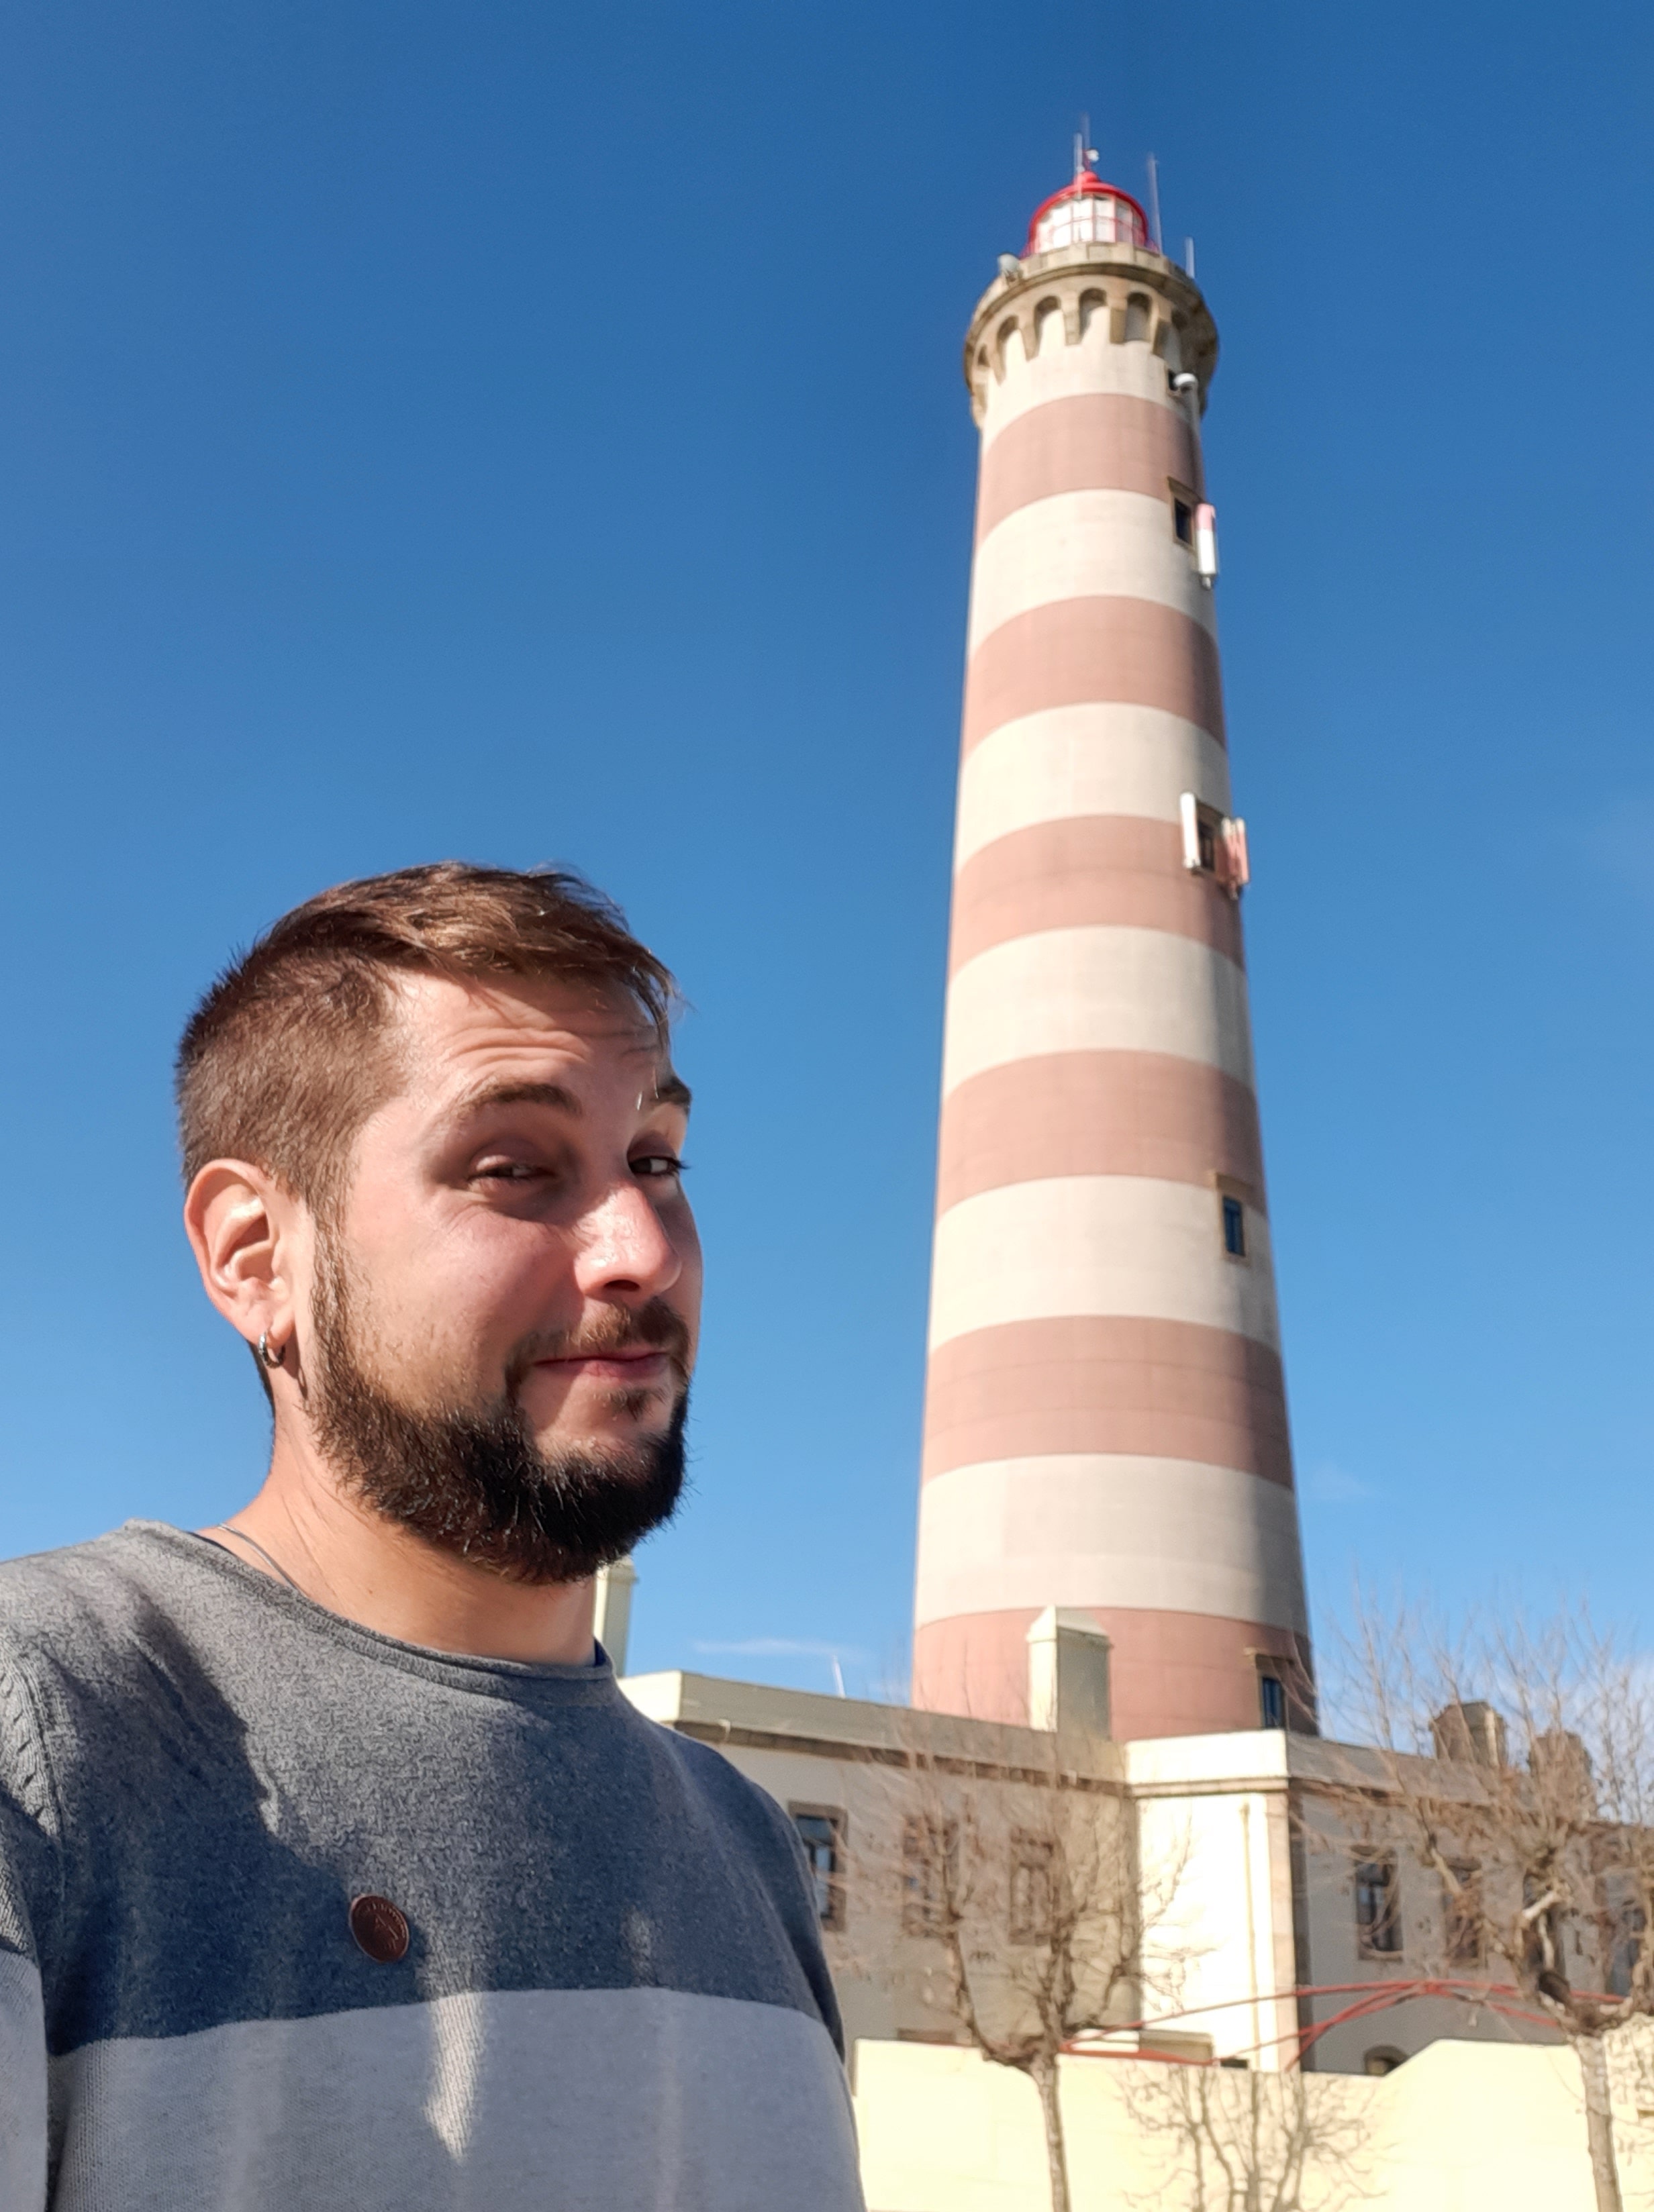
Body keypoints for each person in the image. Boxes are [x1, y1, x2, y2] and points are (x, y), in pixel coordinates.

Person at [0, 863, 865, 2211]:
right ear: (255, 1256)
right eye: (515, 1169)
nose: (641, 1244)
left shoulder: (747, 1850)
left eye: (655, 1159)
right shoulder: (48, 1732)